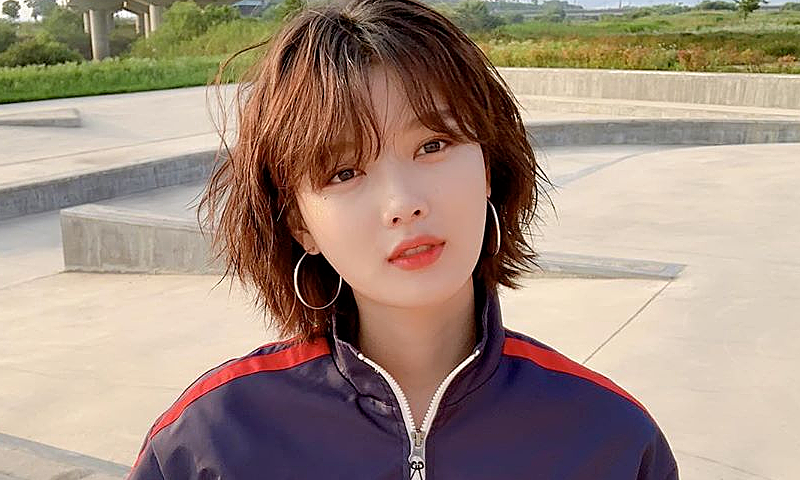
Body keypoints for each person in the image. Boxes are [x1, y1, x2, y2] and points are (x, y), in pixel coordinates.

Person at [125, 0, 679, 478]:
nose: (403, 203)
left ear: (488, 166)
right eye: (344, 172)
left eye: (433, 145)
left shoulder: (610, 437)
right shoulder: (211, 440)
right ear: (299, 224)